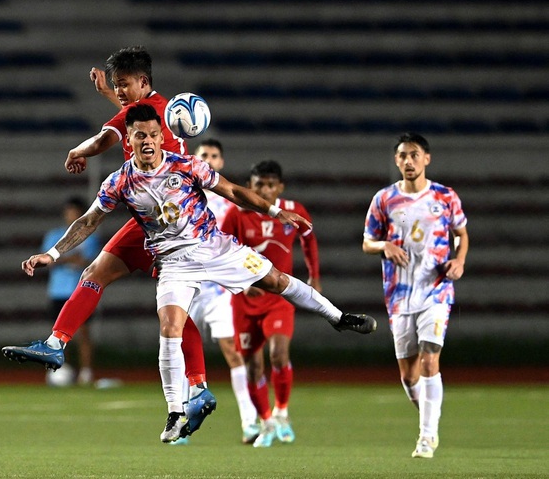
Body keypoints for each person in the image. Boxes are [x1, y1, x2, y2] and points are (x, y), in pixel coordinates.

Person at [19, 105, 377, 443]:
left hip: (217, 249)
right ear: (128, 141)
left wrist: (273, 211)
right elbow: (88, 221)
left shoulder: (187, 166)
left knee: (278, 282)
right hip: (174, 264)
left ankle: (338, 316)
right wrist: (51, 254)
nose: (146, 141)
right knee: (170, 329)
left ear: (163, 137)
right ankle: (175, 412)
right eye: (139, 135)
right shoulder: (119, 182)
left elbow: (233, 191)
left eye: (152, 134)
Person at [3, 46, 214, 440]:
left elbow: (104, 139)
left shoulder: (139, 117)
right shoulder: (162, 113)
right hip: (166, 219)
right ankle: (198, 387)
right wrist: (109, 94)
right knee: (154, 300)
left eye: (124, 85)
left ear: (144, 83)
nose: (118, 92)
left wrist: (77, 149)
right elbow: (130, 116)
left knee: (152, 299)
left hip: (162, 225)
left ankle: (56, 343)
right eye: (115, 86)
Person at [362, 133, 469, 459]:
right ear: (396, 161)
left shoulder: (445, 196)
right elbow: (367, 242)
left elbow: (461, 234)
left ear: (426, 159)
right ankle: (429, 418)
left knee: (429, 359)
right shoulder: (384, 199)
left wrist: (459, 261)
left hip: (435, 290)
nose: (408, 161)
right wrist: (385, 246)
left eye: (414, 155)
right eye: (403, 156)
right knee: (408, 375)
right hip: (398, 295)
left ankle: (427, 436)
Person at [220, 159, 321, 448]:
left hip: (279, 297)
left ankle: (282, 413)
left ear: (280, 187)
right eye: (259, 185)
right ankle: (265, 421)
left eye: (270, 184)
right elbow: (221, 253)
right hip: (245, 301)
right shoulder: (236, 215)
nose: (265, 189)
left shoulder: (293, 211)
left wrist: (314, 275)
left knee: (279, 353)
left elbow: (309, 238)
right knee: (253, 366)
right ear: (249, 187)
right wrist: (243, 283)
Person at [172, 139, 259, 446]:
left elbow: (236, 242)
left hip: (218, 290)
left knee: (232, 353)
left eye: (214, 156)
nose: (209, 158)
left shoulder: (228, 203)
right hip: (186, 289)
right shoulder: (180, 194)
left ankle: (250, 422)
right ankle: (181, 425)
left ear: (220, 163)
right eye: (203, 155)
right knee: (182, 356)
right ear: (195, 161)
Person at [42, 196, 101, 385]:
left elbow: (91, 263)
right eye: (69, 212)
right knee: (58, 334)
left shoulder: (90, 237)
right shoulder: (53, 236)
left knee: (83, 333)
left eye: (75, 213)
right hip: (58, 291)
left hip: (80, 292)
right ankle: (61, 371)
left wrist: (64, 259)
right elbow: (48, 261)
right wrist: (70, 259)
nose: (71, 216)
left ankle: (86, 372)